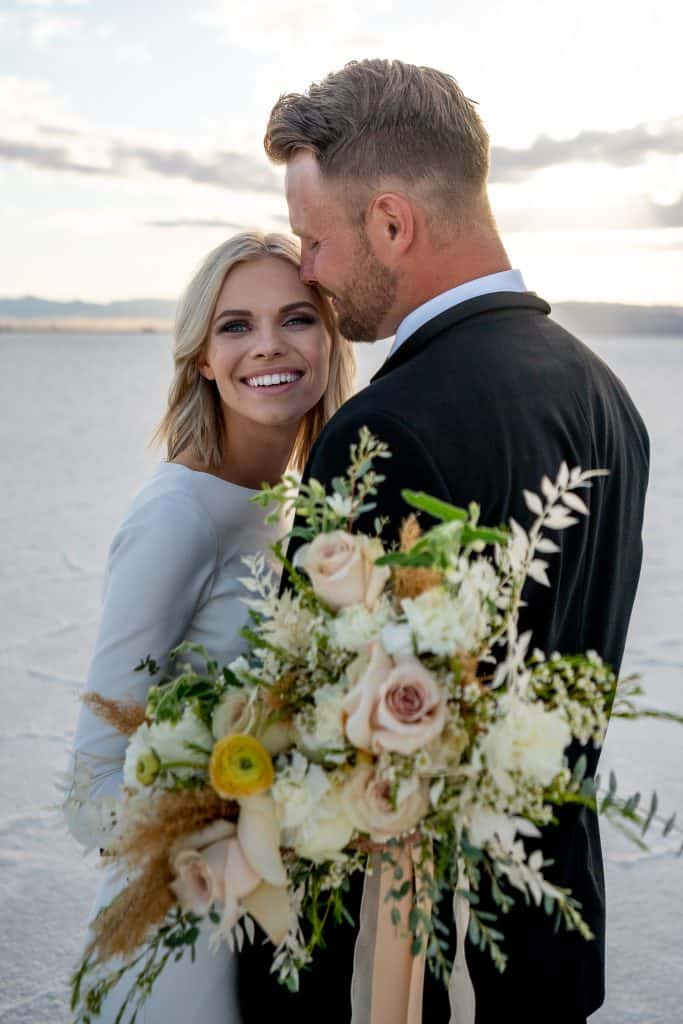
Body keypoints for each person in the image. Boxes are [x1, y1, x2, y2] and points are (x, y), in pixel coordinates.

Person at [235, 60, 650, 1024]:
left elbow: (329, 761)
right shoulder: (603, 396)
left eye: (315, 239)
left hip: (418, 964)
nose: (309, 270)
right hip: (550, 945)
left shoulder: (386, 428)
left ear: (391, 222)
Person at [65, 231, 355, 1023]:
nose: (268, 345)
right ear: (200, 356)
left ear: (329, 342)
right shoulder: (178, 516)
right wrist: (219, 832)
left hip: (273, 931)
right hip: (180, 934)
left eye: (297, 319)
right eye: (235, 325)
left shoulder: (289, 506)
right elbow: (89, 789)